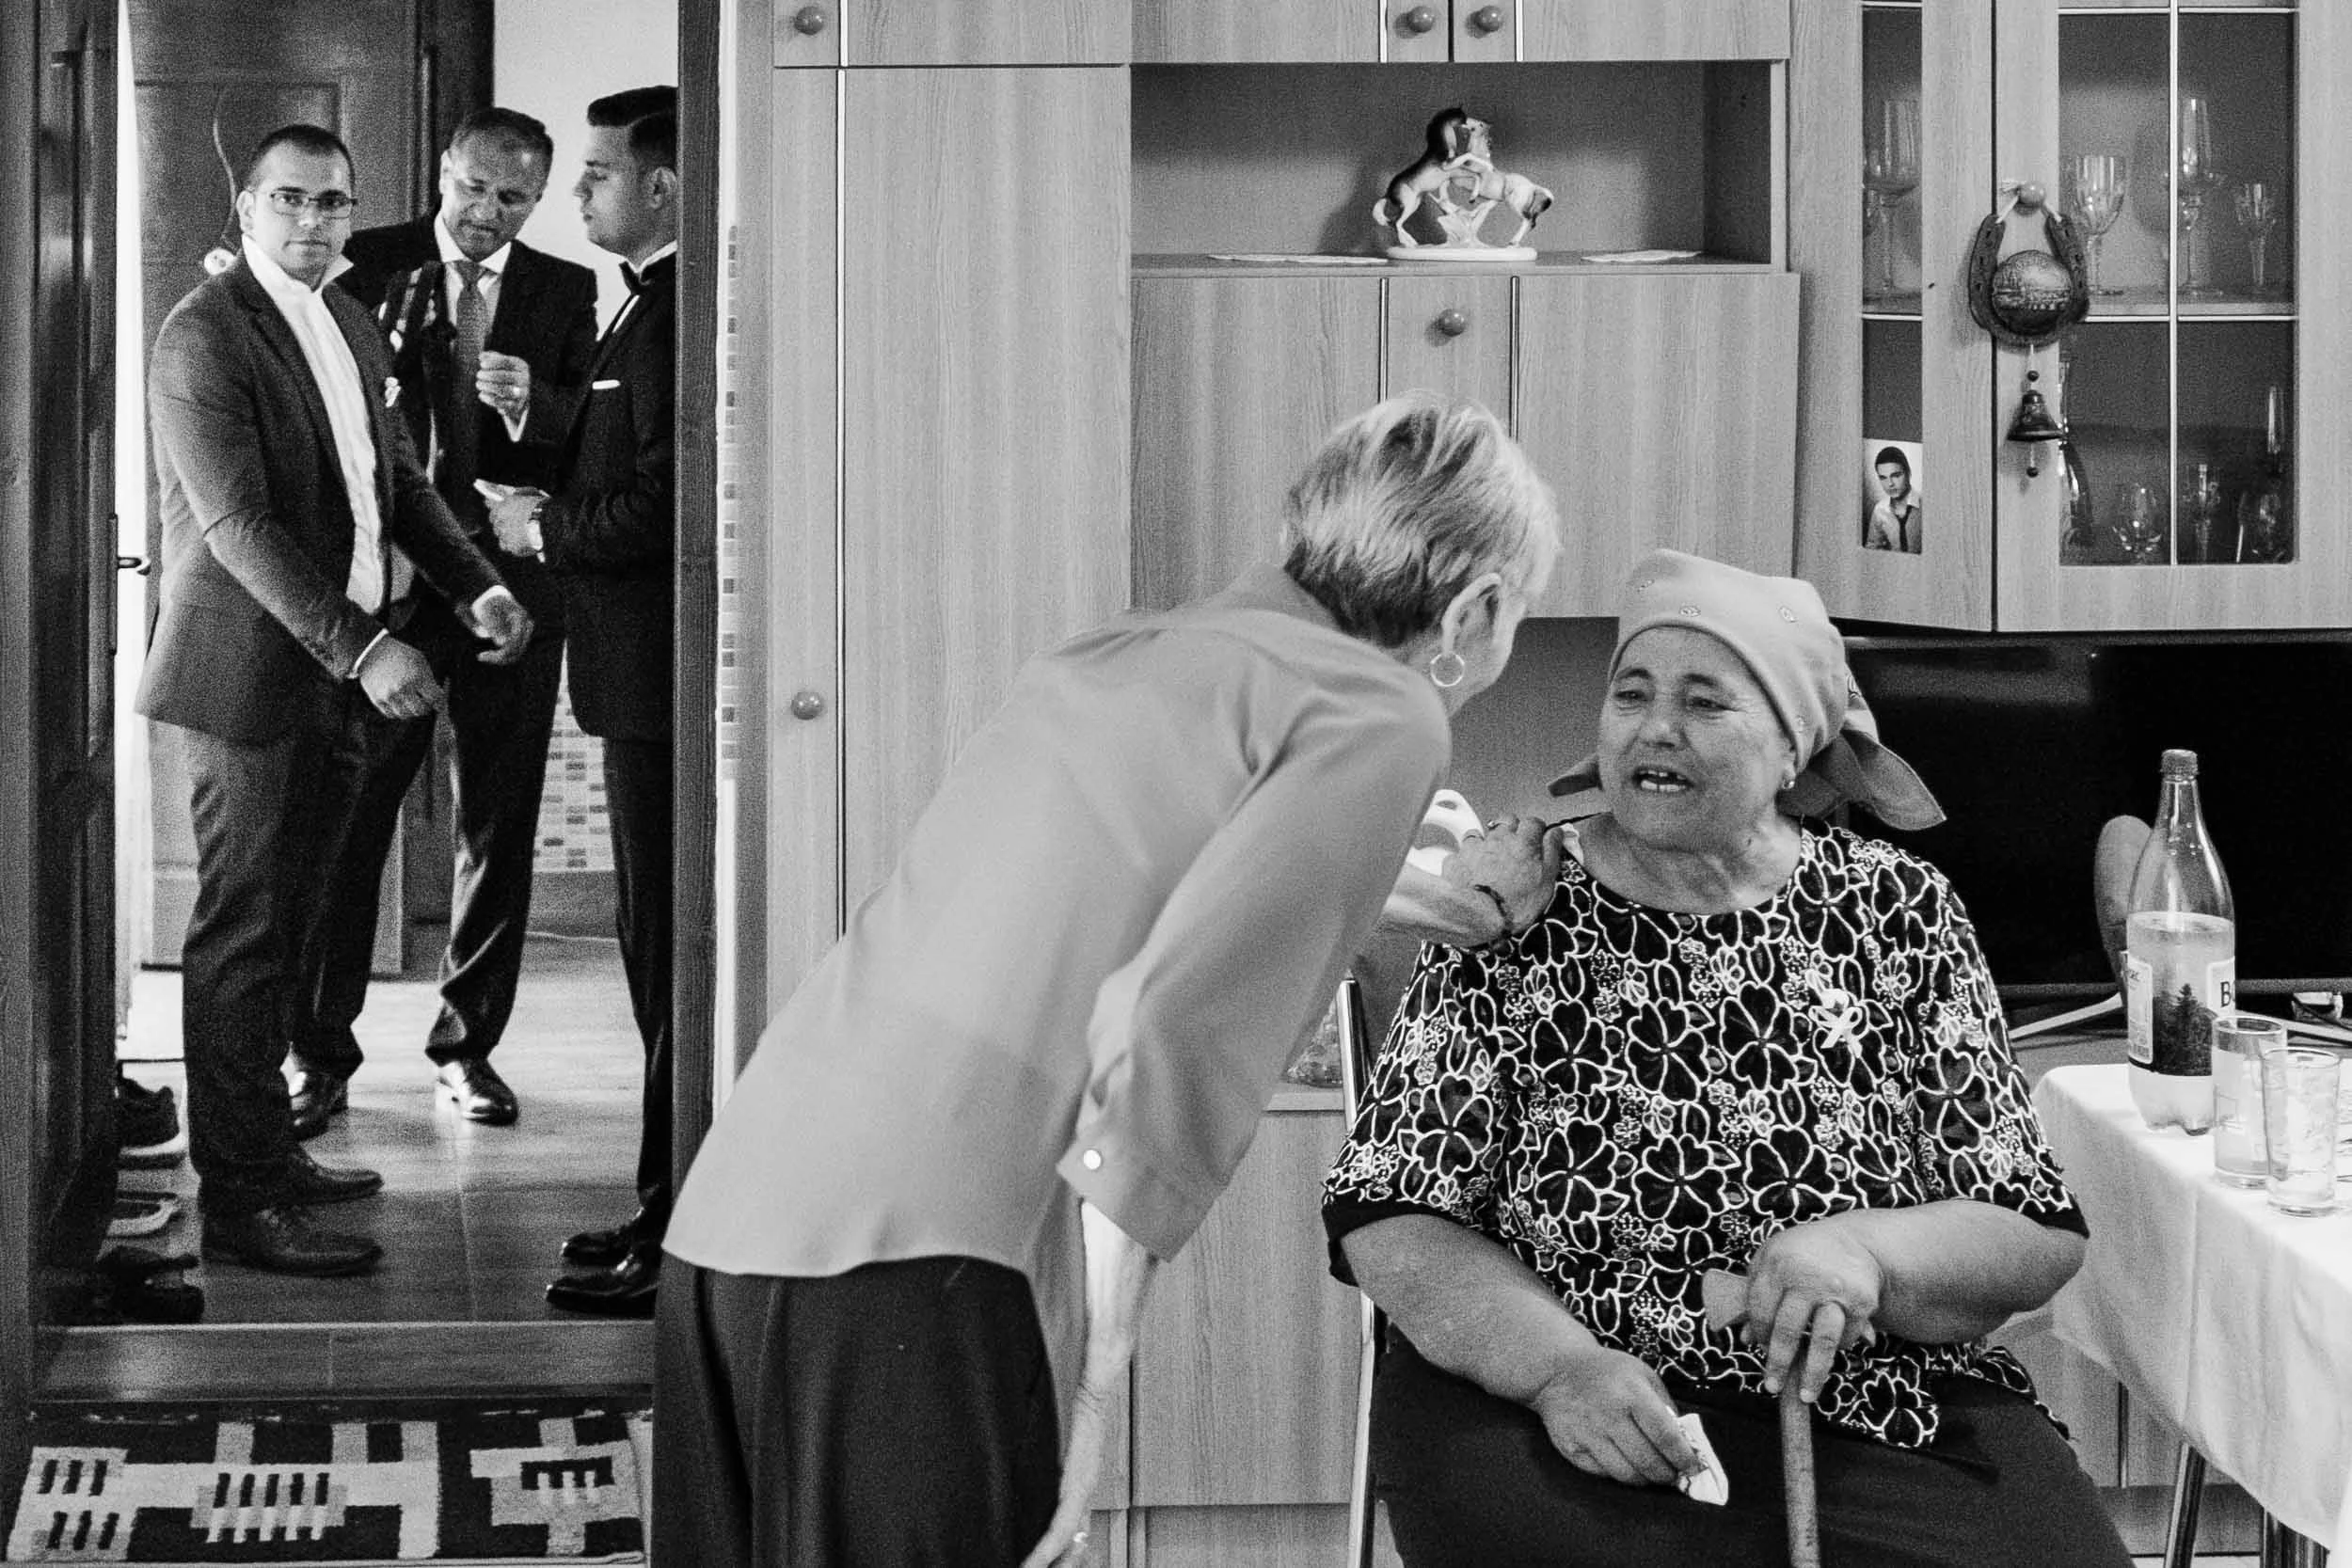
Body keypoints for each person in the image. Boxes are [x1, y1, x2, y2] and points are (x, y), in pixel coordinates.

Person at [651, 394, 1562, 1566]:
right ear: (1474, 608)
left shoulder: (1125, 654)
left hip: (743, 1208)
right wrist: (1089, 1391)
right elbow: (1174, 1034)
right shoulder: (1380, 710)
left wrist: (1420, 890)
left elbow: (1149, 875)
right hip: (936, 1257)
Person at [1324, 549, 2131, 1568]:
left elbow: (2029, 1226)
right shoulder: (1516, 906)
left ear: (1792, 748)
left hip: (1872, 1400)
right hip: (1554, 1391)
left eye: (1705, 702)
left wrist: (1869, 1253)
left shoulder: (1898, 908)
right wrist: (1561, 1369)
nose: (1656, 727)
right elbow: (1391, 1211)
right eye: (1631, 694)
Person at [139, 124, 532, 1276]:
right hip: (247, 681)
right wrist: (365, 651)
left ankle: (269, 1150)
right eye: (291, 200)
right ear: (247, 208)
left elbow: (395, 483)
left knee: (301, 922)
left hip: (333, 679)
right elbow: (238, 527)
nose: (313, 220)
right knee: (244, 932)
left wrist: (478, 584)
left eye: (333, 202)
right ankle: (243, 1196)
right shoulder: (204, 332)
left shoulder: (350, 317)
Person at [285, 107, 599, 1137]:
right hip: (390, 596)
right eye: (472, 188)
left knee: (497, 827)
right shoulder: (360, 263)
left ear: (538, 200)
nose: (485, 212)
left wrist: (535, 407)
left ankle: (467, 1050)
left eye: (512, 198)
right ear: (442, 172)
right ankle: (318, 1053)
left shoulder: (566, 289)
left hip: (510, 592)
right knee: (350, 824)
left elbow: (592, 438)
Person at [481, 87, 677, 1317]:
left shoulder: (672, 312)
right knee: (648, 954)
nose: (580, 193)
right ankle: (661, 1207)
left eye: (597, 172)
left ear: (662, 184)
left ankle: (676, 1230)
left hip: (658, 687)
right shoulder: (639, 306)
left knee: (668, 964)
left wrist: (545, 529)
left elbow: (664, 501)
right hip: (631, 685)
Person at [1866, 445, 1923, 553]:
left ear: (1908, 473)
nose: (1890, 484)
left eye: (1896, 475)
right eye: (1883, 478)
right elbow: (1873, 549)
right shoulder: (1879, 510)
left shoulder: (1927, 504)